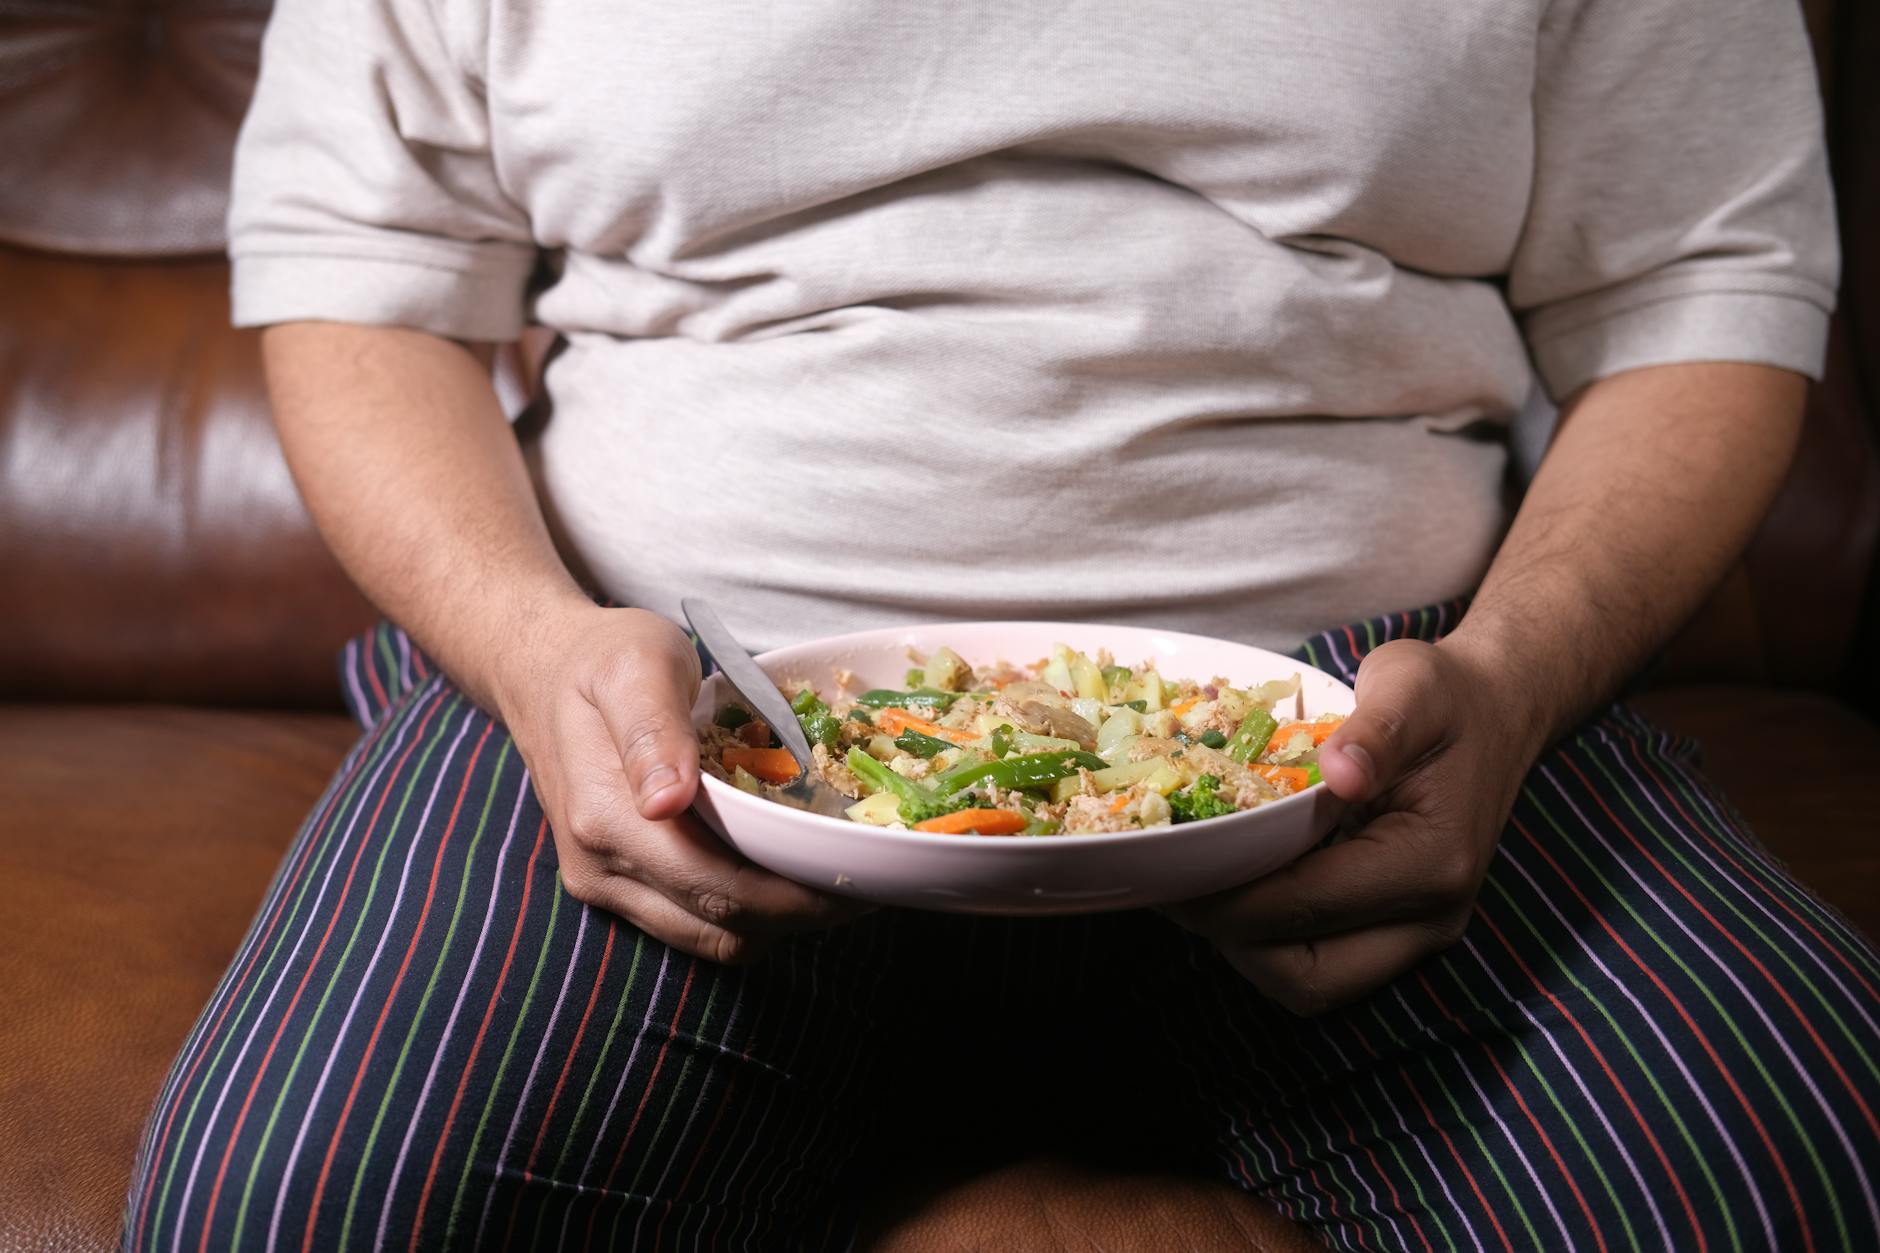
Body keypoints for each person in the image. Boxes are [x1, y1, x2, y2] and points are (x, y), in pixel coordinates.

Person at [123, 0, 1880, 1249]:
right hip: (669, 691)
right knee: (297, 1206)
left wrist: (1511, 683)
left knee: (1798, 1172)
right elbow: (360, 276)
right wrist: (526, 646)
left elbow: (1695, 286)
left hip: (1383, 713)